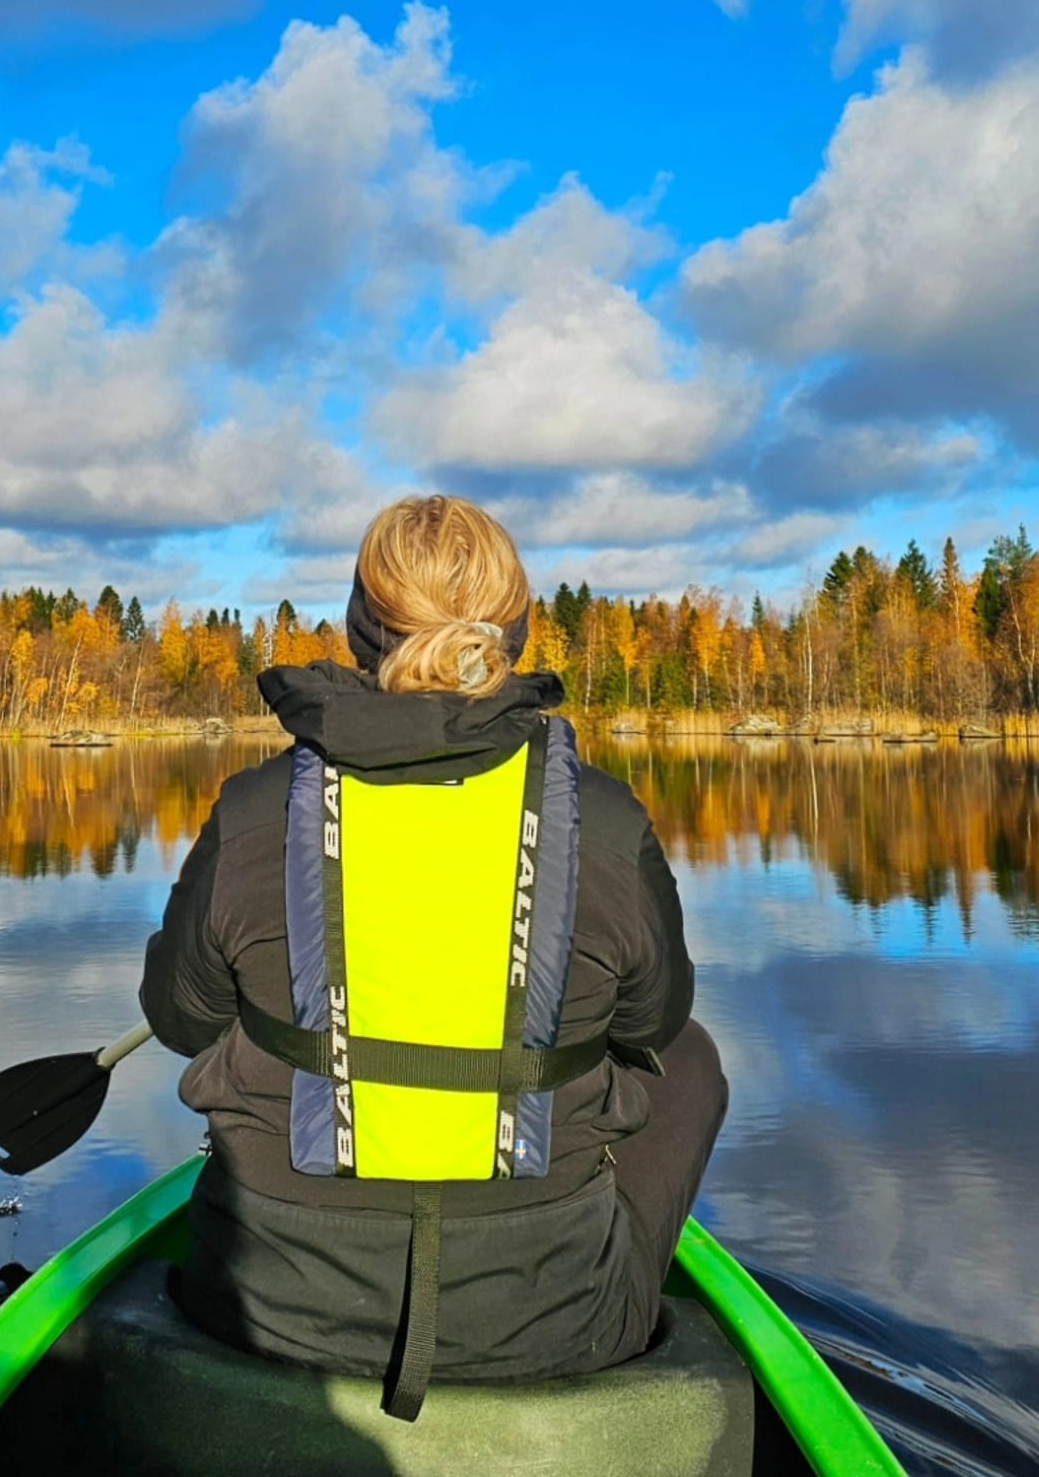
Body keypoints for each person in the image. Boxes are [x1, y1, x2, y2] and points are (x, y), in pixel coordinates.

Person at [140, 494, 727, 1420]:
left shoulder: (254, 812)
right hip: (550, 1323)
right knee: (690, 1057)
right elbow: (652, 1025)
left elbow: (180, 1022)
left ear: (357, 630)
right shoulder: (605, 824)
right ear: (518, 635)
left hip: (261, 1311)